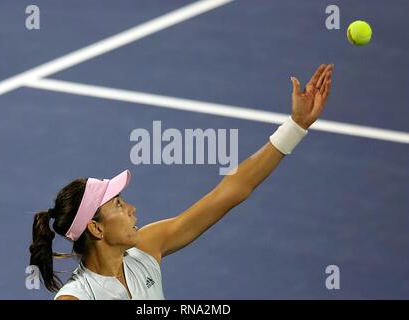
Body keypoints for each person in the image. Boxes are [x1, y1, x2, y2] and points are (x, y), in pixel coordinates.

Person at [29, 64, 333, 300]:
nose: (132, 209)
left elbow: (229, 192)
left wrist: (295, 126)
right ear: (96, 228)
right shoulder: (77, 296)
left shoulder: (146, 249)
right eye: (119, 204)